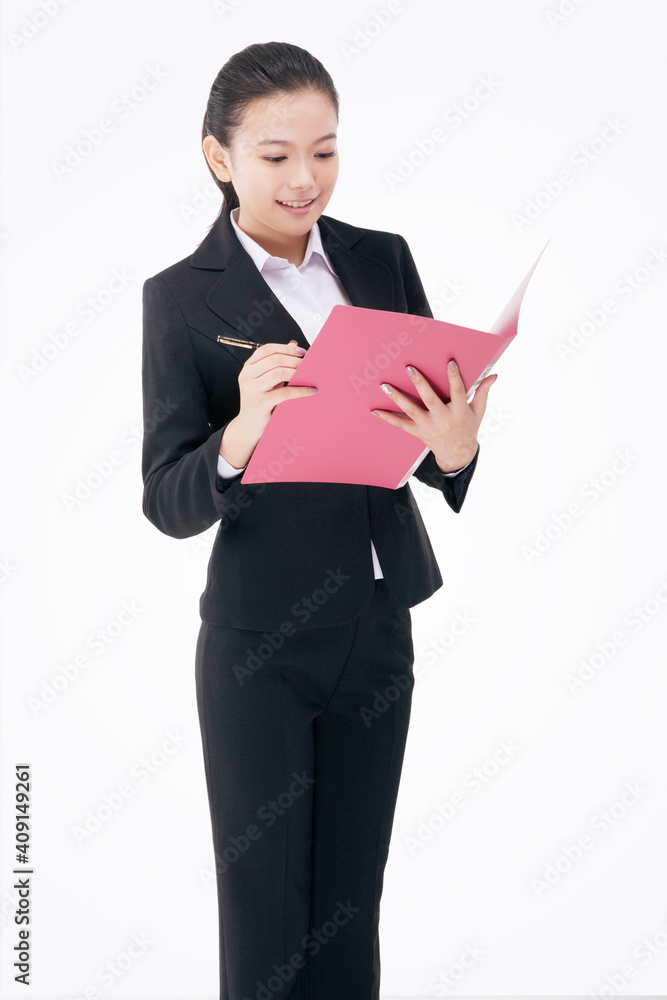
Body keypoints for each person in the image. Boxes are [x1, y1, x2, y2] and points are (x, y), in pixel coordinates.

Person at [141, 40, 496, 1000]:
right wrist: (240, 434)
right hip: (260, 639)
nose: (306, 179)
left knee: (349, 904)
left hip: (377, 627)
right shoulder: (179, 298)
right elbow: (165, 499)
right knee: (264, 916)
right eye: (275, 155)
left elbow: (427, 447)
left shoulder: (383, 261)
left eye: (326, 151)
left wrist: (456, 448)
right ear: (219, 158)